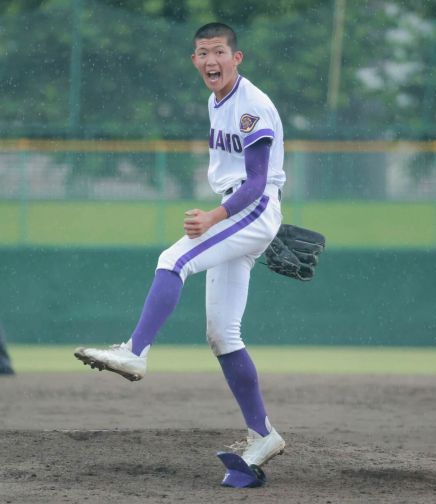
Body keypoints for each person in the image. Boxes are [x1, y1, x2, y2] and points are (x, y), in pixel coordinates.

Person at [75, 22, 286, 468]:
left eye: (219, 52)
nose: (211, 61)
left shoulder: (251, 106)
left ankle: (135, 352)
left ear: (237, 57)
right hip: (247, 209)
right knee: (222, 335)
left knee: (174, 258)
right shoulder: (216, 100)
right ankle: (263, 434)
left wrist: (215, 217)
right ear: (194, 60)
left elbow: (258, 182)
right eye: (202, 53)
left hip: (249, 206)